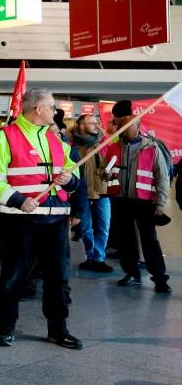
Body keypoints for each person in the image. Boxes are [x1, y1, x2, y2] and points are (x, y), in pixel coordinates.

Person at [0, 88, 83, 350]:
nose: (55, 111)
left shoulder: (57, 141)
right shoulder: (3, 139)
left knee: (59, 278)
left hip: (56, 222)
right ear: (38, 108)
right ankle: (5, 328)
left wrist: (69, 180)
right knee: (14, 277)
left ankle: (58, 330)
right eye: (52, 106)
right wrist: (18, 200)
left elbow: (76, 180)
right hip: (21, 222)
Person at [108, 100, 172, 294]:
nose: (124, 128)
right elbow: (106, 169)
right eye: (121, 125)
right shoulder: (113, 147)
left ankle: (159, 278)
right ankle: (132, 273)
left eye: (128, 125)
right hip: (121, 200)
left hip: (145, 202)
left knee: (149, 240)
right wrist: (106, 174)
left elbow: (163, 177)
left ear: (138, 125)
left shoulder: (152, 148)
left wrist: (160, 202)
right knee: (126, 241)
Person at [70, 113, 113, 273]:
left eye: (97, 122)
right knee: (86, 228)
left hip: (101, 191)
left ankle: (99, 257)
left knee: (103, 226)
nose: (96, 125)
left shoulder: (103, 143)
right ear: (81, 125)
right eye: (92, 123)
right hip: (82, 194)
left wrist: (110, 173)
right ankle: (90, 256)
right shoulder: (71, 145)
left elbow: (111, 163)